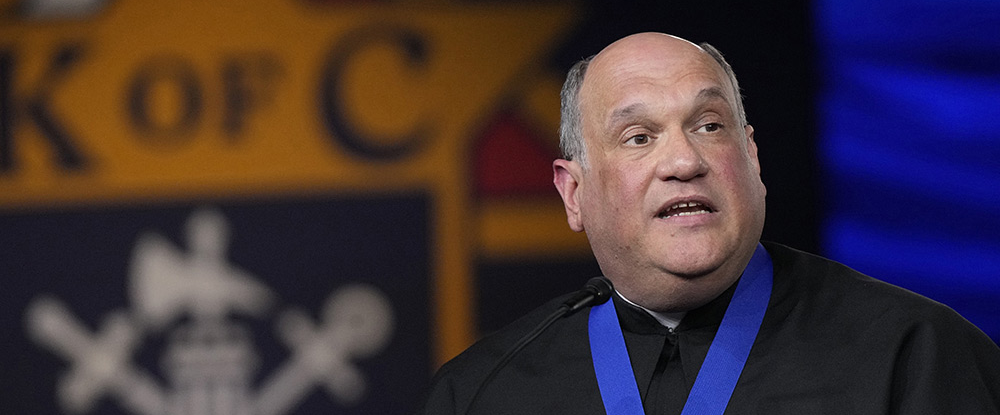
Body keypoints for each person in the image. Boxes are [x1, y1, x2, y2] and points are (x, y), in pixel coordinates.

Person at [421, 32, 1000, 414]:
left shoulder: (915, 356)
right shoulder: (481, 393)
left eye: (709, 126)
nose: (684, 162)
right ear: (574, 193)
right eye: (639, 137)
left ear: (752, 158)